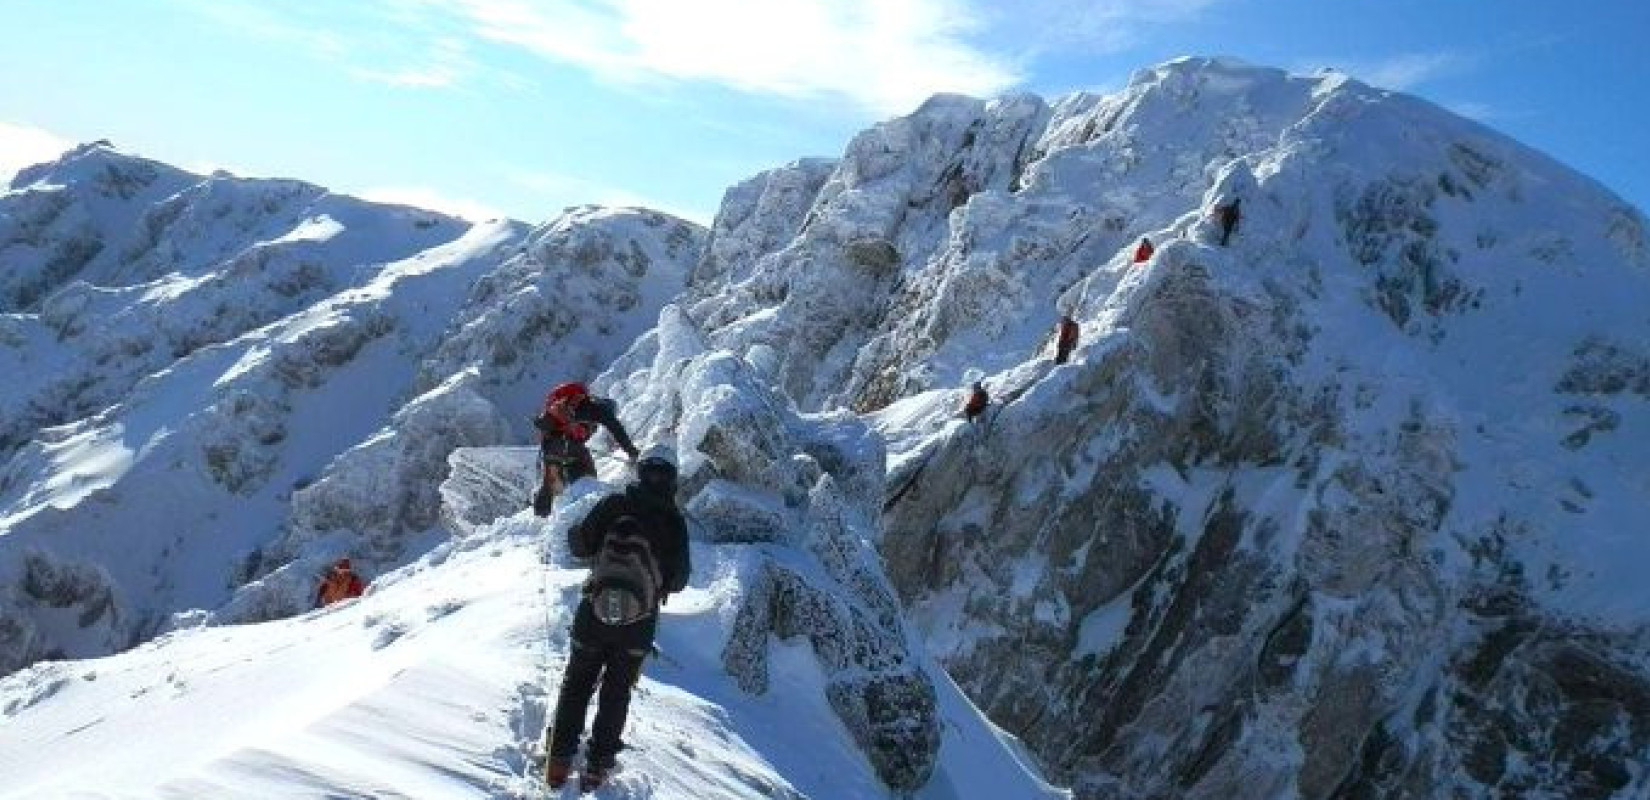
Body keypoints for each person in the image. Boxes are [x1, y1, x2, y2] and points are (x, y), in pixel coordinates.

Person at [545, 446, 691, 791]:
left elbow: (580, 545)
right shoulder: (674, 522)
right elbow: (679, 580)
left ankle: (559, 760)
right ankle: (597, 767)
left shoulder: (615, 504)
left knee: (577, 683)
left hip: (594, 612)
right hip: (638, 624)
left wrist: (578, 535)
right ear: (672, 480)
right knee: (617, 692)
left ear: (640, 473)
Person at [532, 382, 640, 516]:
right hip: (569, 447)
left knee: (553, 484)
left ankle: (543, 515)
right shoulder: (597, 409)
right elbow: (616, 429)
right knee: (587, 481)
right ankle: (583, 512)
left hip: (553, 446)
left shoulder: (571, 408)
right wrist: (632, 451)